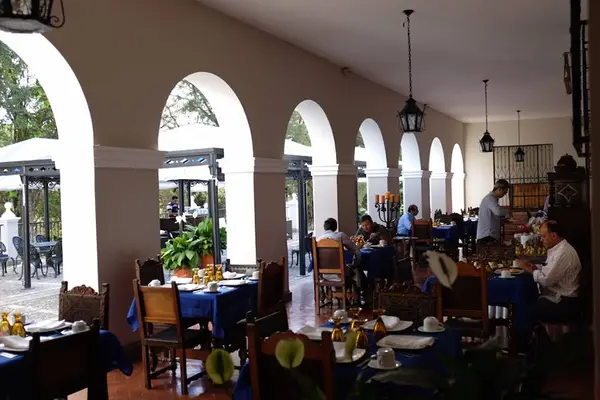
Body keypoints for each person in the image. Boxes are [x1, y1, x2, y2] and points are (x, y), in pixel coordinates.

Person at [517, 221, 581, 323]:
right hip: (557, 296)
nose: (541, 240)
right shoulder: (557, 248)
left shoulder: (563, 252)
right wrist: (534, 266)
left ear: (554, 236)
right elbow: (548, 268)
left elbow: (546, 280)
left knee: (523, 311)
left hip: (565, 301)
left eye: (543, 236)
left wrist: (527, 268)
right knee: (526, 297)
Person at [317, 217, 366, 302]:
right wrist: (356, 263)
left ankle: (337, 295)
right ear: (335, 227)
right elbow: (355, 250)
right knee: (355, 271)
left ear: (325, 227)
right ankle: (359, 298)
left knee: (348, 270)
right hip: (340, 274)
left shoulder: (318, 240)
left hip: (324, 275)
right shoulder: (340, 235)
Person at [476, 179, 511, 243]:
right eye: (505, 192)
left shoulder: (492, 198)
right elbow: (498, 212)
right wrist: (507, 212)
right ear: (499, 189)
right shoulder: (490, 198)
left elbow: (491, 217)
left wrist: (504, 220)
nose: (505, 194)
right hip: (487, 236)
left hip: (489, 235)